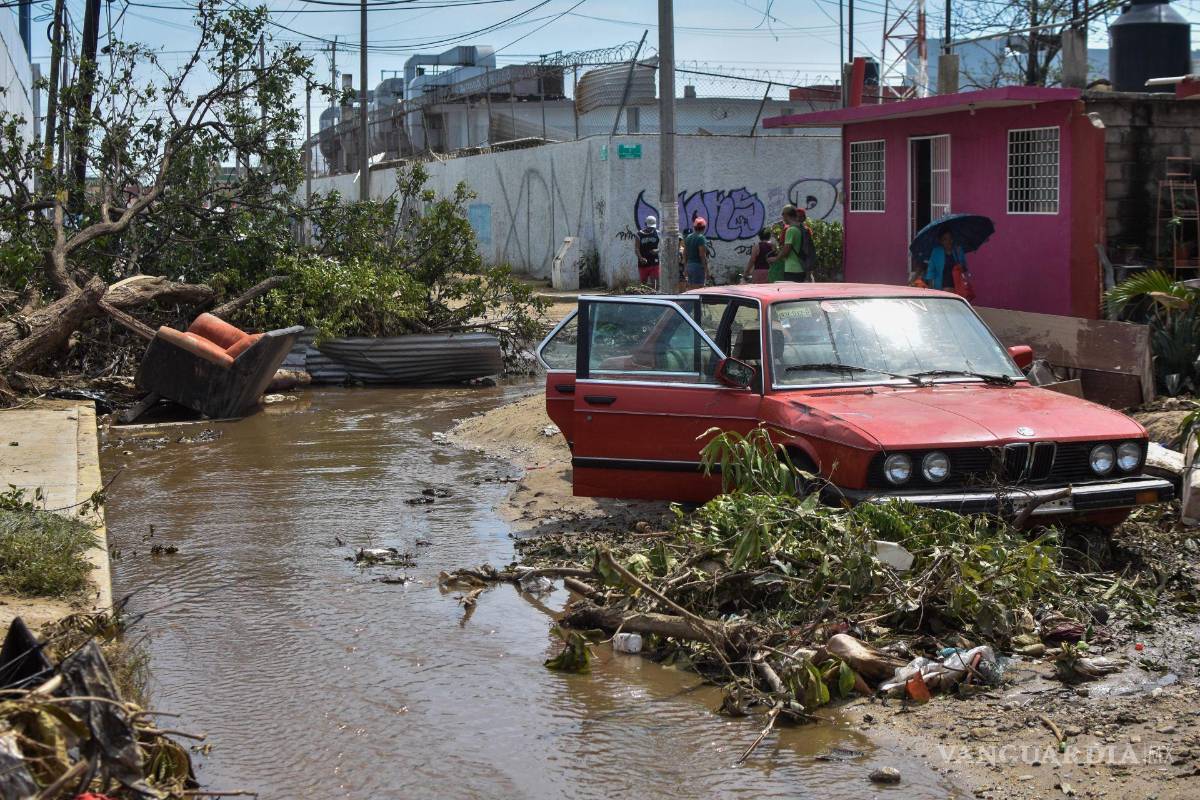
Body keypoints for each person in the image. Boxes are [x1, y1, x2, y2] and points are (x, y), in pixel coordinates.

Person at [925, 230, 973, 298]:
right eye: (945, 239)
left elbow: (964, 268)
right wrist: (930, 289)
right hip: (941, 287)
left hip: (957, 287)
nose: (948, 241)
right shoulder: (936, 252)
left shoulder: (958, 250)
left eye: (950, 238)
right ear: (941, 241)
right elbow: (931, 271)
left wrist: (961, 263)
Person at [768, 205, 811, 282]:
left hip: (792, 269)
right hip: (802, 267)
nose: (782, 217)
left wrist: (775, 259)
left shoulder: (791, 230)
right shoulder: (802, 228)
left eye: (782, 214)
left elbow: (786, 249)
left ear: (786, 215)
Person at [684, 217, 710, 288]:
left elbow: (685, 253)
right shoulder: (701, 238)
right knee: (698, 289)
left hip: (689, 266)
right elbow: (702, 255)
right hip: (698, 267)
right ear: (704, 228)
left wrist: (685, 267)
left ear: (694, 227)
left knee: (690, 289)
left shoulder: (688, 237)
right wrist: (706, 270)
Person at [634, 215, 660, 287]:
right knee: (643, 284)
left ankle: (655, 296)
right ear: (645, 224)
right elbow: (636, 248)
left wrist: (657, 250)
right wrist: (640, 258)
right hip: (643, 262)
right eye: (649, 227)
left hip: (654, 262)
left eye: (652, 227)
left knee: (655, 283)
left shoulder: (658, 233)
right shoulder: (639, 235)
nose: (651, 229)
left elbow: (663, 246)